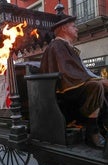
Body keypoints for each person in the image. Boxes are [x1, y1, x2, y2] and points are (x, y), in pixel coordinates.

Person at [40, 14, 107, 148]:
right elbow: (67, 73)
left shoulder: (68, 47)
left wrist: (100, 78)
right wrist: (97, 81)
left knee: (101, 85)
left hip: (75, 84)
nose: (76, 29)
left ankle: (104, 125)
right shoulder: (57, 46)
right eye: (73, 26)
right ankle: (91, 133)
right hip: (65, 90)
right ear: (64, 28)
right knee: (96, 87)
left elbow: (80, 70)